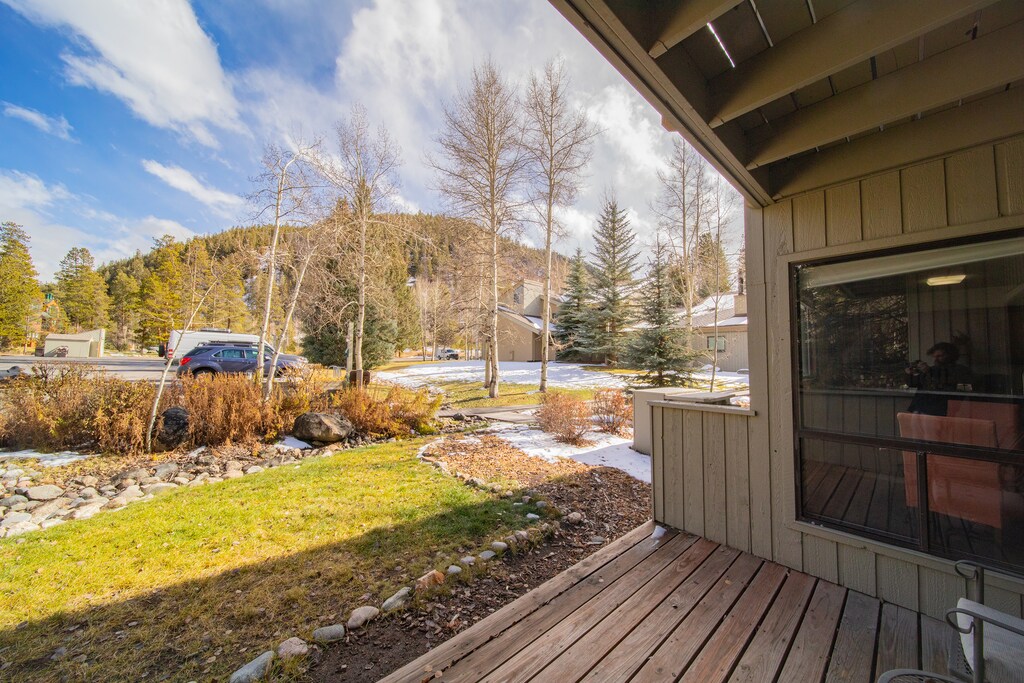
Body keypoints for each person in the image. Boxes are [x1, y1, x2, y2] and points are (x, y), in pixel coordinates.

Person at [905, 341, 973, 416]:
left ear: (950, 355)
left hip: (940, 411)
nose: (936, 359)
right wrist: (912, 374)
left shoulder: (961, 370)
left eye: (939, 356)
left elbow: (966, 388)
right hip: (919, 409)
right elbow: (913, 384)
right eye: (934, 356)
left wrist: (931, 375)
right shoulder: (931, 370)